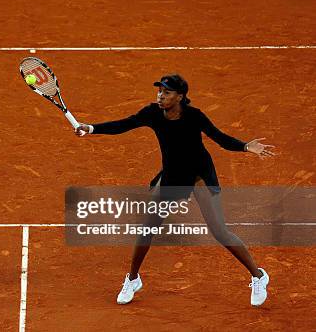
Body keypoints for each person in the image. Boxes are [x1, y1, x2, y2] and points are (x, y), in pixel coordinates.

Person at [75, 74, 275, 307]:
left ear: (180, 97)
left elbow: (219, 138)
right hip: (173, 175)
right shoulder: (152, 113)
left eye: (167, 93)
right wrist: (91, 128)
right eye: (159, 91)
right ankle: (133, 279)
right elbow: (123, 124)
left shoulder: (194, 116)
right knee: (146, 230)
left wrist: (244, 146)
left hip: (199, 174)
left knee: (219, 231)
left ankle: (258, 276)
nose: (160, 96)